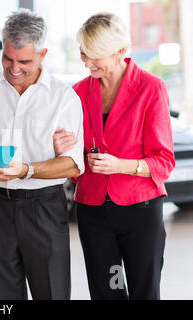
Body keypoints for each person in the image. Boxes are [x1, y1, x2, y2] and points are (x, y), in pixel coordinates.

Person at [0, 9, 85, 300]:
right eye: (7, 59)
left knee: (51, 293)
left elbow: (73, 164)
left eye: (24, 61)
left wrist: (25, 170)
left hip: (43, 208)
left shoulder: (63, 98)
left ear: (43, 55)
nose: (14, 69)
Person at [53, 13, 175, 300]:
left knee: (144, 292)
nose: (87, 62)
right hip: (93, 210)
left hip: (140, 209)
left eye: (95, 56)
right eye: (83, 53)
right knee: (106, 292)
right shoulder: (78, 93)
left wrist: (122, 165)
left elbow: (164, 162)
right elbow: (75, 167)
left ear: (121, 51)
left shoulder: (151, 88)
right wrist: (64, 152)